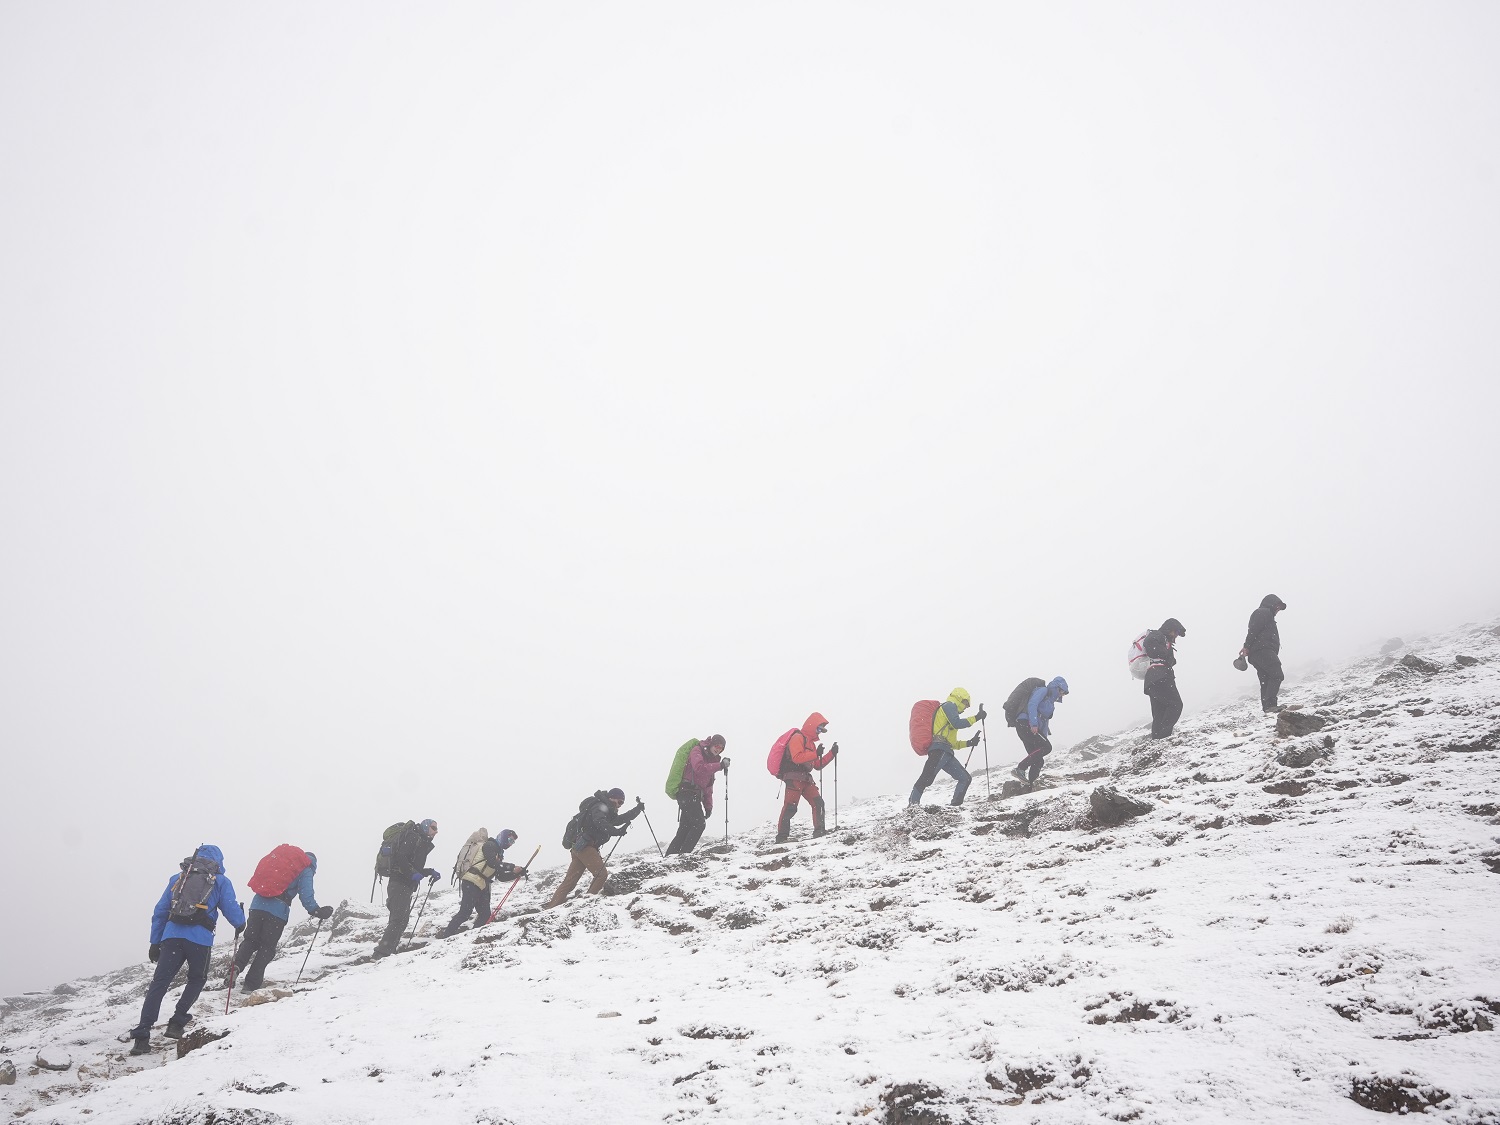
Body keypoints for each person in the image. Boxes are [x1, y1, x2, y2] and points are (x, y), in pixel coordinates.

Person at [125, 844, 246, 1055]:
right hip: (199, 939)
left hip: (172, 937)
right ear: (218, 861)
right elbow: (232, 911)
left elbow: (161, 909)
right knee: (196, 979)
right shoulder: (220, 881)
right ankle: (177, 1023)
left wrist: (155, 941)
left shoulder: (178, 878)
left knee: (160, 983)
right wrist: (240, 922)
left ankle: (142, 1035)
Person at [233, 850, 332, 991]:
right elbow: (306, 894)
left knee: (250, 940)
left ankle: (236, 967)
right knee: (267, 948)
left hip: (257, 906)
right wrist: (316, 910)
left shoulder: (284, 862)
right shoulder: (306, 868)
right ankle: (250, 985)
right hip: (276, 912)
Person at [545, 789, 642, 907]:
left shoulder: (604, 808)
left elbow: (617, 820)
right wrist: (616, 832)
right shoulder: (600, 806)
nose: (619, 805)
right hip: (586, 847)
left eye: (622, 803)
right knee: (601, 874)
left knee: (569, 882)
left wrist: (637, 810)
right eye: (619, 801)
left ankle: (551, 907)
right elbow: (599, 822)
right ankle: (588, 903)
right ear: (612, 797)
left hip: (579, 848)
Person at [373, 819, 441, 959]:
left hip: (404, 884)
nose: (436, 831)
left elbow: (413, 866)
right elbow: (401, 857)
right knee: (398, 919)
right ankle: (380, 954)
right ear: (426, 826)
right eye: (433, 828)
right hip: (399, 882)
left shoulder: (421, 841)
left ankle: (389, 951)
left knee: (402, 919)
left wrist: (429, 872)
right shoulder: (413, 837)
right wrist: (412, 873)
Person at [909, 689, 984, 807]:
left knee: (965, 778)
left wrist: (970, 742)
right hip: (939, 750)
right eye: (966, 703)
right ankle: (913, 805)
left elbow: (953, 744)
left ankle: (955, 806)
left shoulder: (950, 715)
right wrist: (977, 717)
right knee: (926, 777)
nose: (966, 707)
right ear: (960, 698)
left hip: (947, 752)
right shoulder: (949, 706)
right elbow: (956, 723)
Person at [441, 829, 522, 935]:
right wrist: (512, 867)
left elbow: (500, 876)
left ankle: (472, 936)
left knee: (485, 915)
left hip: (482, 885)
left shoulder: (499, 854)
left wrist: (517, 874)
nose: (510, 844)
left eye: (513, 842)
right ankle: (446, 935)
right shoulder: (490, 845)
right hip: (471, 881)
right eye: (510, 839)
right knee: (465, 913)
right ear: (503, 836)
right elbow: (492, 862)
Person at [776, 712, 838, 842]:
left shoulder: (811, 744)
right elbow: (797, 757)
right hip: (793, 778)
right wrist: (815, 753)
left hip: (805, 779)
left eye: (821, 730)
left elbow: (816, 765)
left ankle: (819, 831)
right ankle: (782, 837)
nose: (819, 732)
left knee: (818, 803)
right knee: (790, 807)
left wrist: (831, 753)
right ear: (812, 726)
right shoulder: (797, 738)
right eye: (818, 728)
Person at [666, 736, 729, 855]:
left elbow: (708, 787)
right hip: (687, 792)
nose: (718, 749)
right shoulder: (697, 750)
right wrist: (720, 766)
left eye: (721, 748)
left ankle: (669, 858)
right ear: (711, 744)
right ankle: (683, 856)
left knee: (684, 830)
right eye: (717, 746)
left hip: (693, 795)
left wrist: (708, 806)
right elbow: (699, 768)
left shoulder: (712, 761)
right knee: (699, 824)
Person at [1009, 677, 1069, 785]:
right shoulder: (1043, 690)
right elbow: (1032, 704)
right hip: (1025, 723)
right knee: (1047, 747)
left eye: (1063, 694)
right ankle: (1020, 768)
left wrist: (1044, 736)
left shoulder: (1050, 703)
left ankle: (1032, 785)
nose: (1061, 695)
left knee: (1039, 760)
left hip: (1028, 726)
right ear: (1056, 687)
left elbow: (1045, 721)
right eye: (1061, 691)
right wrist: (1034, 723)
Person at [1241, 595, 1287, 712]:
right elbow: (1253, 630)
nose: (1278, 610)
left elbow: (1253, 630)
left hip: (1258, 652)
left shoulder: (1265, 614)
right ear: (1270, 603)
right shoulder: (1263, 612)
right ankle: (1270, 705)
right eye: (1277, 606)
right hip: (1262, 650)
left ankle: (1268, 708)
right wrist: (1246, 646)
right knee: (1277, 674)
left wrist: (1248, 647)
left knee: (1265, 679)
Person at [1144, 618, 1186, 739]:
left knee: (1159, 712)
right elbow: (1150, 644)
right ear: (1170, 629)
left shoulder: (1161, 638)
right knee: (1176, 705)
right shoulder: (1158, 635)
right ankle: (1164, 736)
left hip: (1152, 679)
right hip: (1160, 676)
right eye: (1176, 632)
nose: (1177, 636)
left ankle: (1157, 740)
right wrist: (1168, 655)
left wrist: (1170, 659)